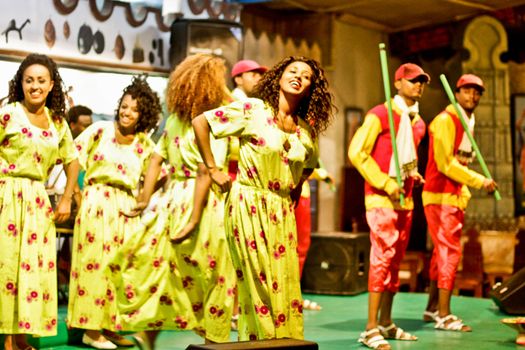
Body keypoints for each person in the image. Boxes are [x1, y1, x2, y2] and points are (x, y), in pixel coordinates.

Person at [192, 56, 334, 341]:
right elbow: (201, 123)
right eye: (292, 71)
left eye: (306, 76)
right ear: (278, 77)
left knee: (283, 280)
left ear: (311, 89)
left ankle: (284, 342)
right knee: (258, 281)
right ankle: (263, 343)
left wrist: (294, 187)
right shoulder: (253, 110)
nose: (298, 77)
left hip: (281, 210)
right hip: (248, 201)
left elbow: (308, 164)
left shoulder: (305, 131)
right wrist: (213, 168)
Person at [113, 53, 235, 349]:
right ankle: (211, 341)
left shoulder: (176, 120)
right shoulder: (215, 119)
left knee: (167, 271)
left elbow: (156, 159)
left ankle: (148, 334)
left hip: (173, 200)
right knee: (213, 276)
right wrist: (194, 219)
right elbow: (208, 170)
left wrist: (144, 199)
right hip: (203, 203)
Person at [66, 76, 162, 349]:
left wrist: (143, 200)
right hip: (97, 203)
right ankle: (91, 330)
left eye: (134, 109)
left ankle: (110, 326)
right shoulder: (99, 130)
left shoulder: (146, 144)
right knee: (94, 267)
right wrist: (76, 196)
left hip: (126, 208)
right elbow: (71, 158)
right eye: (124, 105)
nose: (126, 111)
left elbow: (159, 174)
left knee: (120, 271)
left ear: (144, 114)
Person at [0, 53, 79, 350]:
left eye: (41, 81)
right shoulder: (7, 113)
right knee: (6, 267)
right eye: (29, 80)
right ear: (20, 83)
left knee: (31, 269)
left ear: (50, 85)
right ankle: (7, 339)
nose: (35, 86)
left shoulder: (57, 121)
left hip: (37, 199)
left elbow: (72, 162)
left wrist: (66, 199)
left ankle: (21, 337)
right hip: (6, 196)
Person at [348, 63, 429, 350]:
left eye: (421, 81)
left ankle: (385, 321)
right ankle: (370, 327)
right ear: (397, 84)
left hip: (405, 199)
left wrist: (412, 174)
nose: (418, 85)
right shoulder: (380, 114)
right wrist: (385, 181)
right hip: (382, 198)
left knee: (395, 261)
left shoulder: (417, 122)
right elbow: (357, 152)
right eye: (412, 81)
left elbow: (407, 159)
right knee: (381, 258)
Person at [422, 74, 497, 332]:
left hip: (454, 195)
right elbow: (445, 163)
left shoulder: (468, 121)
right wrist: (480, 181)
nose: (472, 96)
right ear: (457, 92)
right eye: (467, 91)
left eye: (477, 92)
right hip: (440, 194)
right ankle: (444, 314)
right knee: (449, 252)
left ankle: (432, 309)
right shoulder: (446, 120)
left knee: (441, 252)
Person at [227, 59, 267, 180]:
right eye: (253, 75)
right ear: (238, 79)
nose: (259, 79)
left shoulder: (252, 103)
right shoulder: (231, 102)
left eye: (260, 75)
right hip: (231, 168)